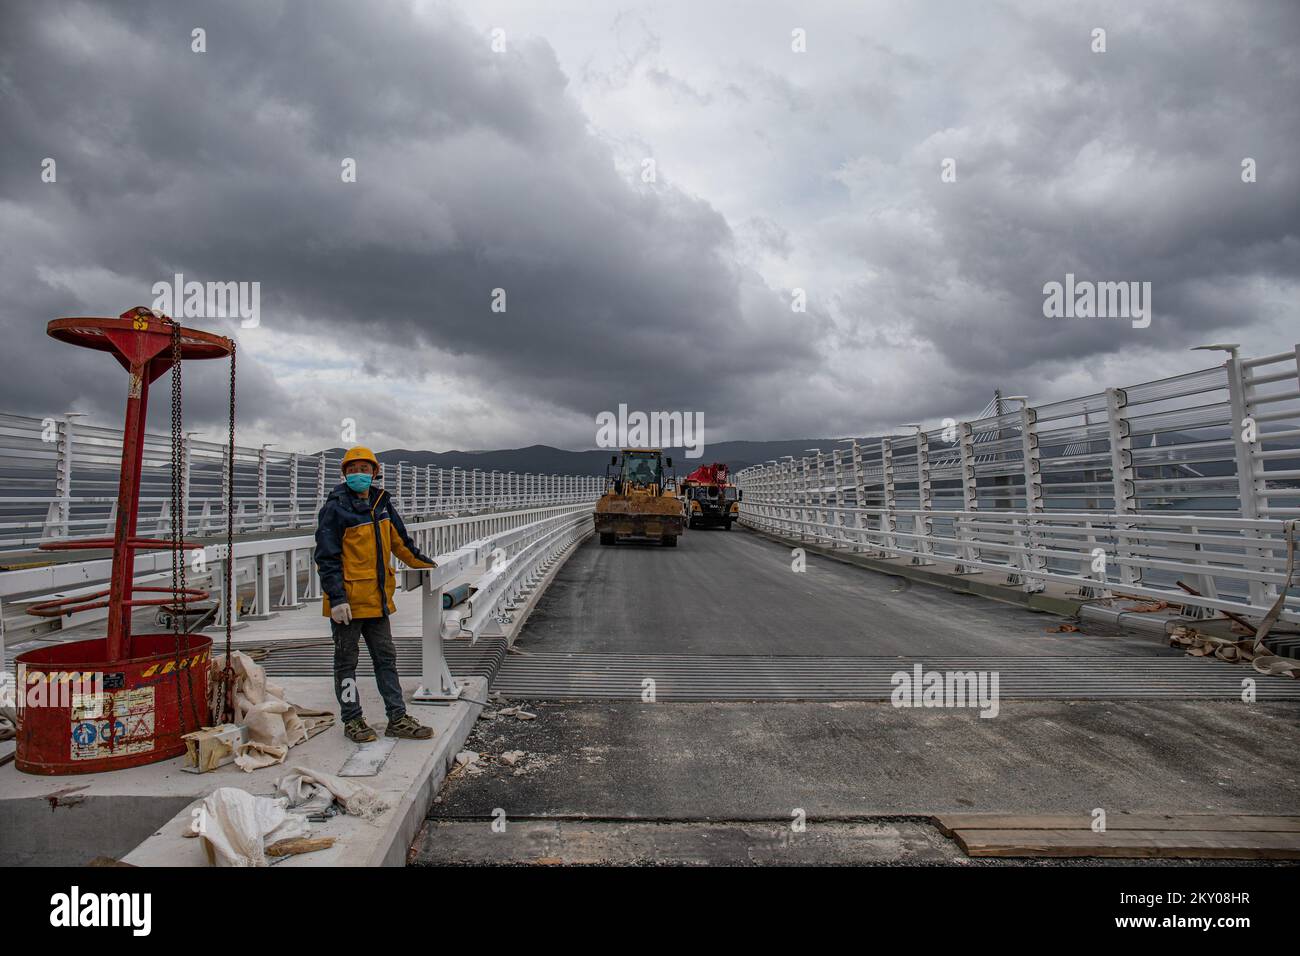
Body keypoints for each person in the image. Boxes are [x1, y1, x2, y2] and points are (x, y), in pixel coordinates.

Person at [314, 446, 438, 742]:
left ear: (374, 473)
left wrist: (430, 566)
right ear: (344, 474)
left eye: (365, 469)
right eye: (353, 470)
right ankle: (352, 720)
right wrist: (337, 598)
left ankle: (397, 717)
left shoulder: (382, 504)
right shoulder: (334, 509)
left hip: (378, 601)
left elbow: (401, 544)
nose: (359, 474)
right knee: (346, 663)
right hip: (348, 604)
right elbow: (327, 557)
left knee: (386, 660)